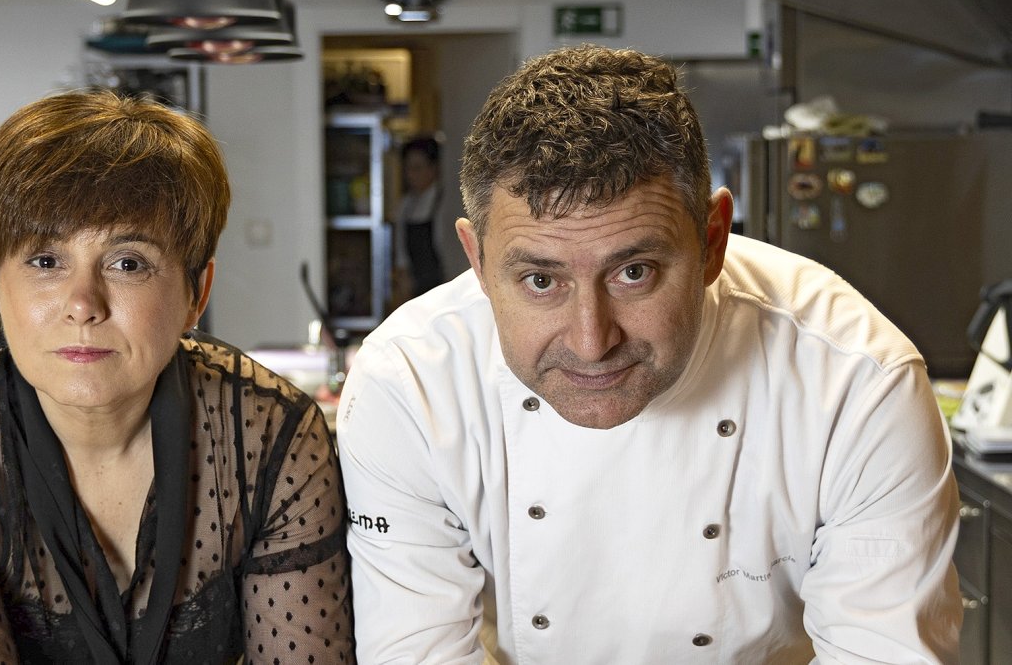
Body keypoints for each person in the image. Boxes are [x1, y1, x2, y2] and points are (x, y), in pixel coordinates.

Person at [336, 45, 961, 663]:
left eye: (634, 272)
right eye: (541, 281)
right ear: (476, 261)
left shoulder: (856, 381)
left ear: (712, 239)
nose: (591, 340)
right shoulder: (408, 384)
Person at [0, 90, 355, 663]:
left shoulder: (269, 435)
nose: (83, 304)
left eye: (127, 263)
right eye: (45, 262)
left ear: (197, 293)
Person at [393, 135, 445, 299]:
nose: (410, 175)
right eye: (407, 168)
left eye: (417, 168)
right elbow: (401, 249)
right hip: (415, 289)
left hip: (440, 286)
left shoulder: (442, 202)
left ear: (433, 168)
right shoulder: (406, 204)